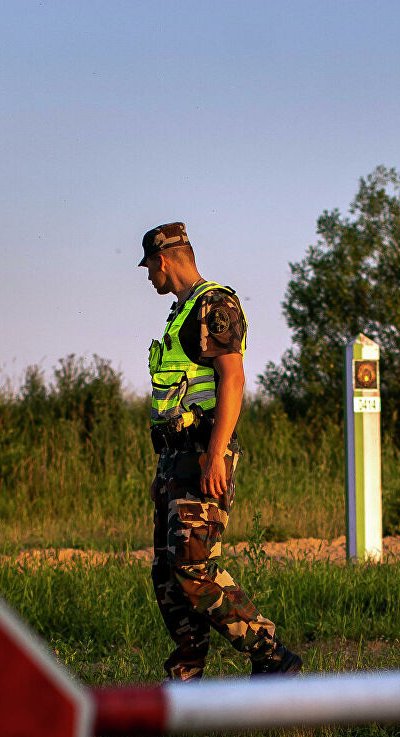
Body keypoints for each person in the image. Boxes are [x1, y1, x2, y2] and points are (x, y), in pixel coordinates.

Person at [137, 222, 302, 680]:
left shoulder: (215, 305)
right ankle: (186, 674)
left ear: (163, 260)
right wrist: (165, 469)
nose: (148, 276)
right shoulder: (181, 312)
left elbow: (233, 378)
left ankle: (270, 654)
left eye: (148, 266)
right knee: (168, 574)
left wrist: (216, 454)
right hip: (176, 458)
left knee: (194, 567)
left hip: (203, 452)